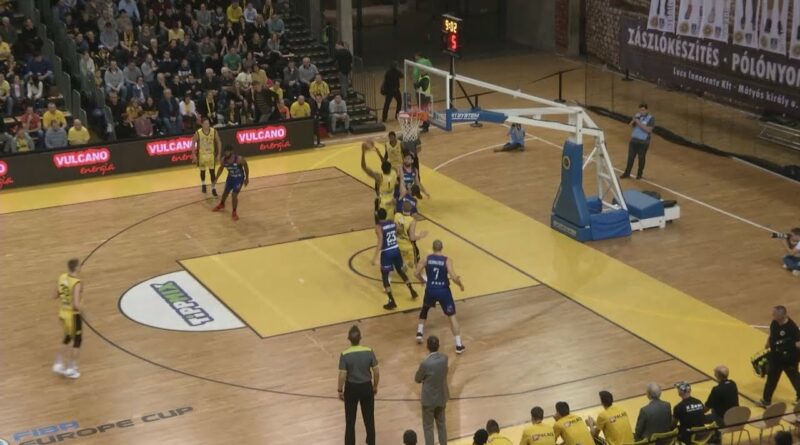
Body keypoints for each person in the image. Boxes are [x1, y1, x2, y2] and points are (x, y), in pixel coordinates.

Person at [414, 240, 465, 354]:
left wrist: (422, 281)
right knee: (452, 316)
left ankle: (419, 332)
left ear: (433, 248)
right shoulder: (447, 260)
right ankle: (458, 345)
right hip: (443, 291)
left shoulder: (427, 258)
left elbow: (416, 273)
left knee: (425, 308)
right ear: (442, 248)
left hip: (431, 290)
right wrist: (460, 285)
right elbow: (454, 277)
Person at [338, 325, 379, 445]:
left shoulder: (345, 354)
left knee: (350, 421)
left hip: (351, 389)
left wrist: (340, 390)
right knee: (369, 419)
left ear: (349, 339)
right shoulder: (369, 351)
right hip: (366, 387)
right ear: (360, 338)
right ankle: (371, 442)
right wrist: (375, 386)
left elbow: (342, 374)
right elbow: (376, 371)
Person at [372, 207, 418, 310]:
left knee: (385, 276)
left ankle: (391, 301)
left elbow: (380, 241)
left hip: (387, 252)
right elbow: (400, 229)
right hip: (396, 250)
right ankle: (412, 290)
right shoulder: (391, 222)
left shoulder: (378, 227)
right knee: (400, 271)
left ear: (378, 216)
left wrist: (375, 257)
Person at [761, 305, 800, 405]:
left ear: (782, 316)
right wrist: (767, 343)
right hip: (776, 357)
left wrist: (788, 347)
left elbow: (798, 343)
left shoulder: (792, 328)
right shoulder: (774, 323)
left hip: (789, 358)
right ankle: (766, 400)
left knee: (795, 378)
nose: (772, 315)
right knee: (771, 378)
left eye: (775, 314)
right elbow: (772, 335)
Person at [415, 335, 449, 445]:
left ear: (427, 347)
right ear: (439, 346)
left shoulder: (425, 363)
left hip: (429, 400)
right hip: (442, 397)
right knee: (442, 425)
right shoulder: (445, 358)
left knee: (428, 427)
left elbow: (417, 379)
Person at [53, 258, 83, 379]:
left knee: (67, 337)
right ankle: (71, 368)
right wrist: (84, 312)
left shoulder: (62, 277)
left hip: (62, 313)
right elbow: (76, 304)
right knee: (77, 341)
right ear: (76, 268)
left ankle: (58, 363)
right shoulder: (76, 282)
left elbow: (55, 295)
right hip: (73, 315)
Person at [361, 139, 398, 222]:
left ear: (381, 168)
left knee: (381, 224)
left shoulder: (379, 177)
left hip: (382, 203)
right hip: (392, 201)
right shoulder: (394, 172)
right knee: (392, 223)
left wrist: (363, 152)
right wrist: (379, 153)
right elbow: (386, 163)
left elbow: (364, 167)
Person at [212, 145, 249, 221]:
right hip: (230, 177)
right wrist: (216, 179)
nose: (226, 153)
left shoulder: (239, 159)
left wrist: (247, 178)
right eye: (225, 152)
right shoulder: (223, 160)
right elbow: (221, 168)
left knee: (234, 195)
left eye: (227, 152)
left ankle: (234, 212)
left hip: (239, 178)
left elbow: (246, 166)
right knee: (225, 192)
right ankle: (222, 204)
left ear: (231, 152)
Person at [621, 103, 655, 180]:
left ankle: (639, 175)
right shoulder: (637, 116)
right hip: (634, 140)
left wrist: (638, 122)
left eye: (643, 110)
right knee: (630, 158)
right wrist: (633, 120)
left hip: (643, 142)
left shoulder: (651, 118)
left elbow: (648, 130)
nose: (641, 112)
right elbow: (630, 125)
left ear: (646, 110)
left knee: (641, 158)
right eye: (640, 110)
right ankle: (627, 173)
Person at [193, 118, 222, 196]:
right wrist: (194, 155)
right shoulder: (198, 133)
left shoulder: (214, 131)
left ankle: (213, 188)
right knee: (202, 171)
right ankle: (203, 184)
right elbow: (193, 143)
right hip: (201, 155)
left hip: (211, 155)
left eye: (208, 123)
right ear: (202, 124)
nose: (207, 125)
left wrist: (219, 154)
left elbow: (219, 142)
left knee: (212, 172)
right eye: (205, 124)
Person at [395, 198, 427, 271]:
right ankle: (415, 266)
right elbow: (412, 238)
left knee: (402, 253)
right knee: (416, 250)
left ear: (402, 208)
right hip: (407, 245)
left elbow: (397, 228)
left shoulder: (397, 215)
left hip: (397, 243)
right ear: (411, 209)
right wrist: (420, 236)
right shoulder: (412, 220)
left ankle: (403, 263)